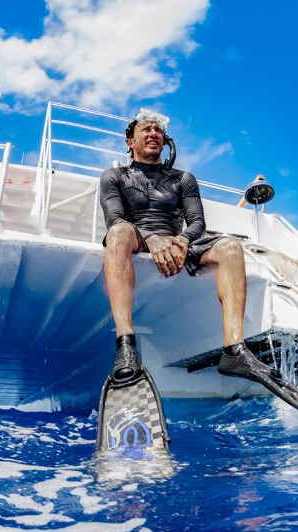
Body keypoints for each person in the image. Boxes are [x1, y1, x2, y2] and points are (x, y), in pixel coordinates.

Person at [99, 108, 277, 386]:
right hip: (136, 238)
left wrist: (180, 240)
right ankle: (125, 346)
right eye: (146, 129)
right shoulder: (114, 176)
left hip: (176, 241)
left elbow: (197, 223)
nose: (153, 134)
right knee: (118, 232)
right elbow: (115, 218)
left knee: (231, 247)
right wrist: (152, 239)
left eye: (158, 131)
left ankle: (235, 350)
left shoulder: (183, 178)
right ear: (130, 142)